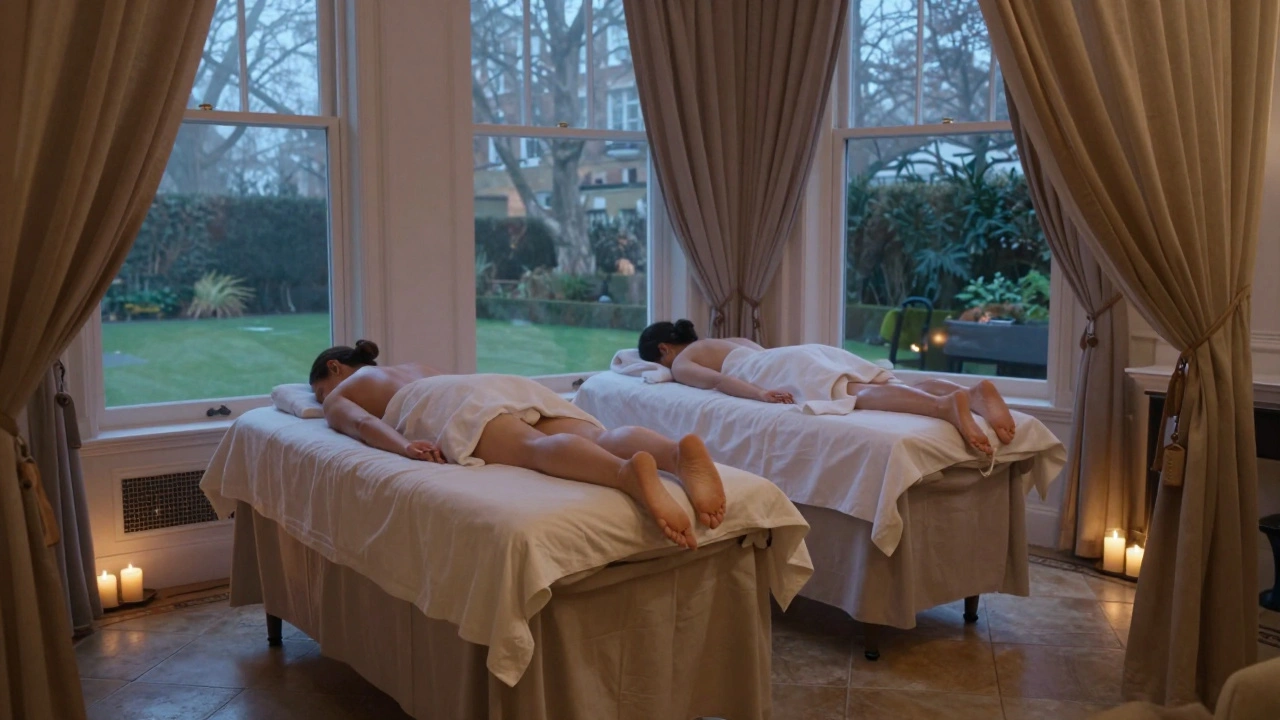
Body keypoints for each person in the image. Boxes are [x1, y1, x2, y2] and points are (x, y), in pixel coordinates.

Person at [308, 340, 725, 549]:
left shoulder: (345, 394)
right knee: (597, 435)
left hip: (444, 401)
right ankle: (672, 453)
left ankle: (624, 474)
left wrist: (403, 446)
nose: (324, 400)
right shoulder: (413, 366)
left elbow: (362, 423)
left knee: (532, 448)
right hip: (489, 382)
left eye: (321, 391)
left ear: (335, 368)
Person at [637, 320, 1017, 456]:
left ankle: (945, 406)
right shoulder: (722, 340)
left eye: (659, 363)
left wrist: (760, 394)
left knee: (853, 393)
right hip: (803, 352)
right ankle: (972, 395)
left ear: (663, 350)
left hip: (776, 366)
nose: (663, 369)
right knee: (883, 379)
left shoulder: (683, 361)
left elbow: (721, 381)